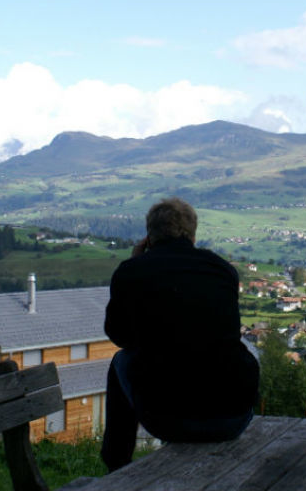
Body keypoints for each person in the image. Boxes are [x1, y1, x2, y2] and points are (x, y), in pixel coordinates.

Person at [101, 197, 259, 472]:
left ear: (148, 237)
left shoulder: (131, 272)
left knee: (119, 362)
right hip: (233, 417)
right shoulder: (223, 270)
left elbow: (119, 337)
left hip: (166, 419)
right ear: (193, 234)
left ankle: (117, 464)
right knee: (247, 350)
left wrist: (135, 266)